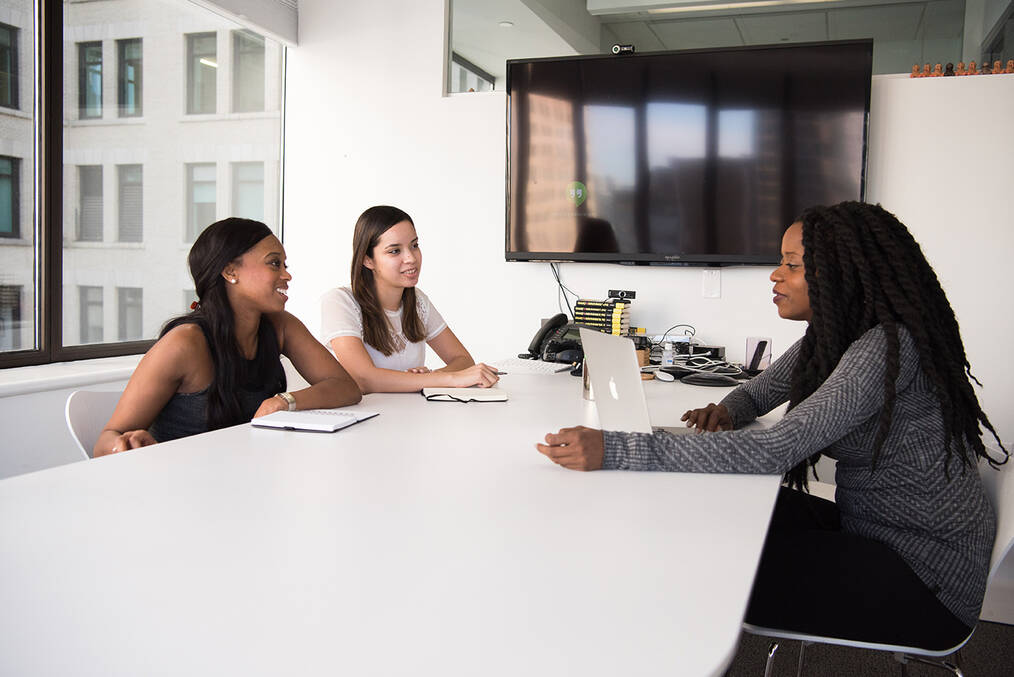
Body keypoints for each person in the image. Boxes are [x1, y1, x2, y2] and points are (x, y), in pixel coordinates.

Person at [536, 201, 1007, 650]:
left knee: (708, 563)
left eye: (793, 265)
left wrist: (618, 449)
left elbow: (775, 449)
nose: (775, 275)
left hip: (924, 578)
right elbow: (760, 390)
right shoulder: (834, 338)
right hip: (874, 529)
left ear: (840, 274)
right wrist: (729, 409)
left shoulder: (885, 347)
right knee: (720, 511)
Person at [95, 218, 361, 456]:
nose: (286, 274)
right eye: (274, 263)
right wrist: (125, 445)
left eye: (284, 264)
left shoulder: (280, 326)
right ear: (230, 272)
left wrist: (284, 401)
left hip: (244, 477)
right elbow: (105, 443)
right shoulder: (184, 344)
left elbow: (345, 387)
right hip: (183, 487)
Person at [321, 205, 499, 394]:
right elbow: (364, 379)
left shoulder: (418, 301)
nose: (411, 258)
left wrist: (426, 378)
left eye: (414, 245)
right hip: (365, 419)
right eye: (395, 251)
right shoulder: (340, 301)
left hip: (410, 416)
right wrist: (435, 379)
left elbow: (462, 360)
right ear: (368, 260)